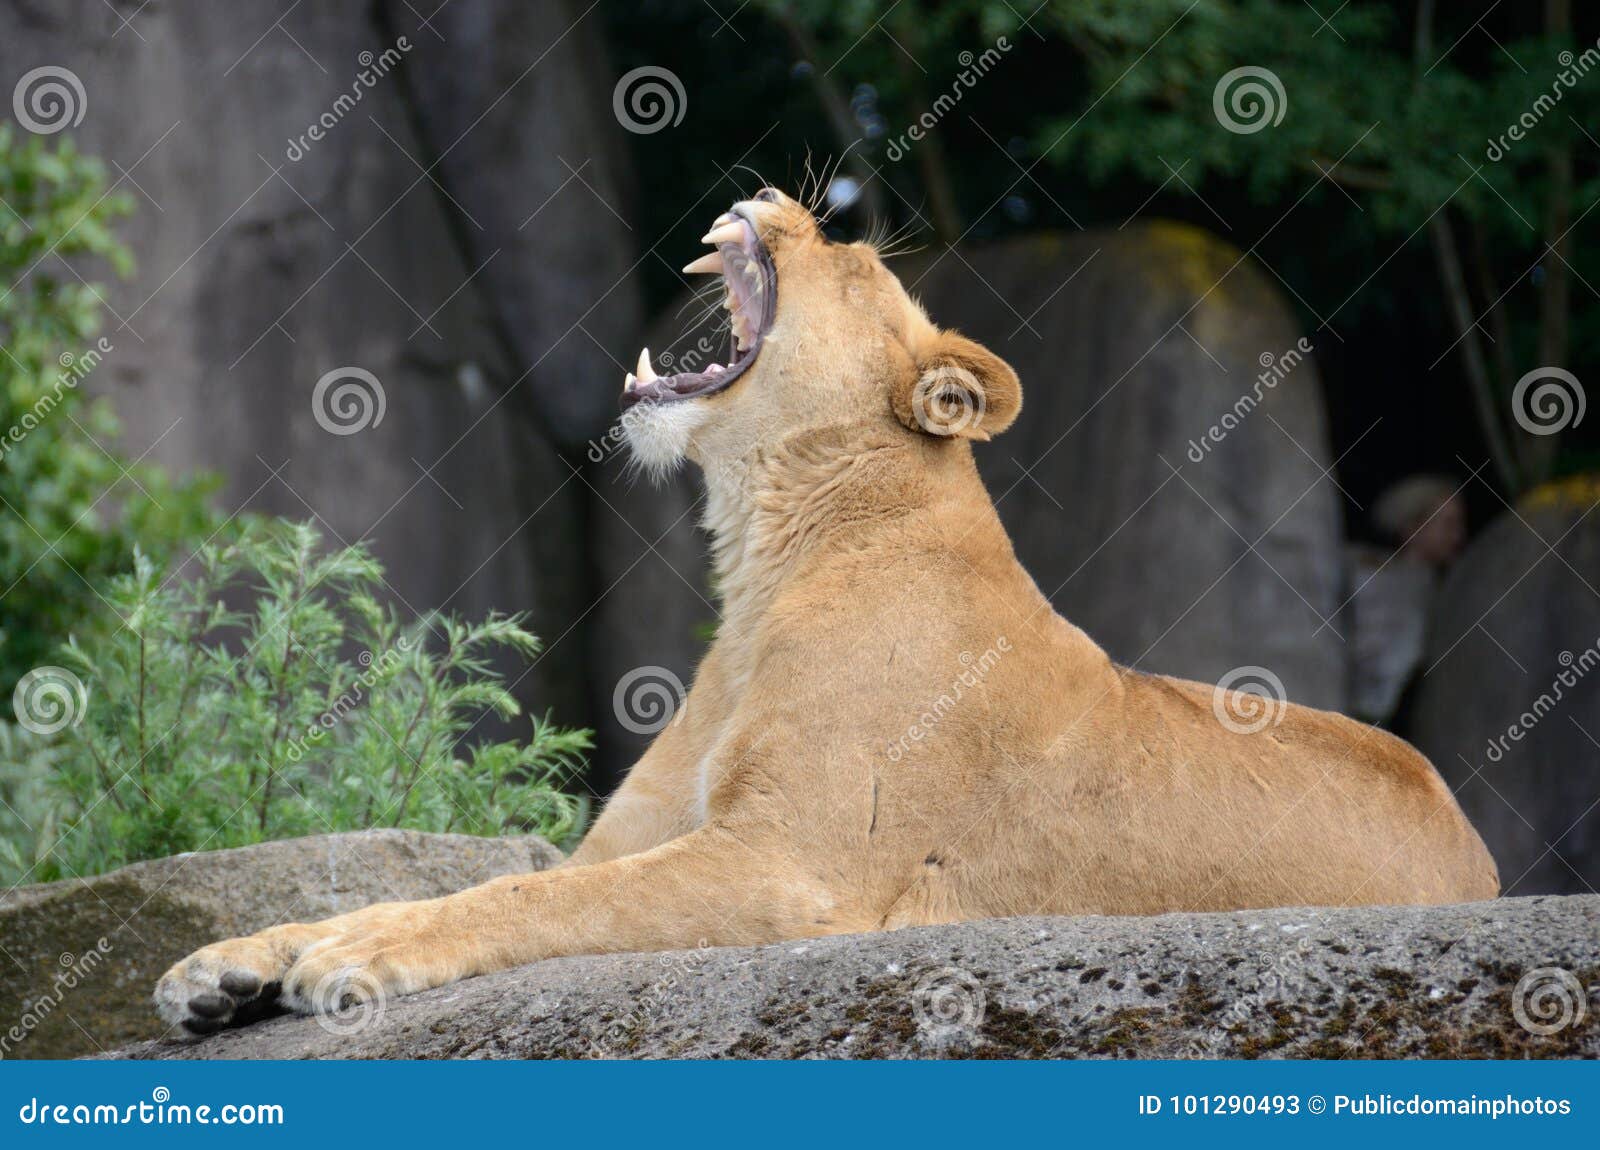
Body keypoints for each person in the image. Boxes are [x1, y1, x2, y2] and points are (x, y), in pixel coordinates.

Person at [1344, 475, 1467, 725]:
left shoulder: (1445, 590)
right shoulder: (1363, 569)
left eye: (1459, 524)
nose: (1458, 535)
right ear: (1413, 528)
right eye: (1447, 524)